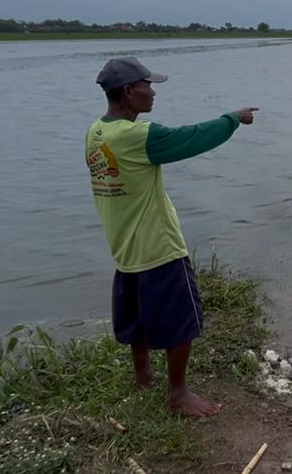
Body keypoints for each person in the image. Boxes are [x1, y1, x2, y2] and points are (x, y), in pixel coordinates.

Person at [84, 56, 257, 417]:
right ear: (130, 92)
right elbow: (189, 140)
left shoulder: (96, 132)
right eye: (149, 86)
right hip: (158, 245)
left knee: (138, 317)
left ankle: (143, 376)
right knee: (182, 321)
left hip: (125, 247)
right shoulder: (137, 136)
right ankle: (178, 394)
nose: (153, 93)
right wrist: (233, 119)